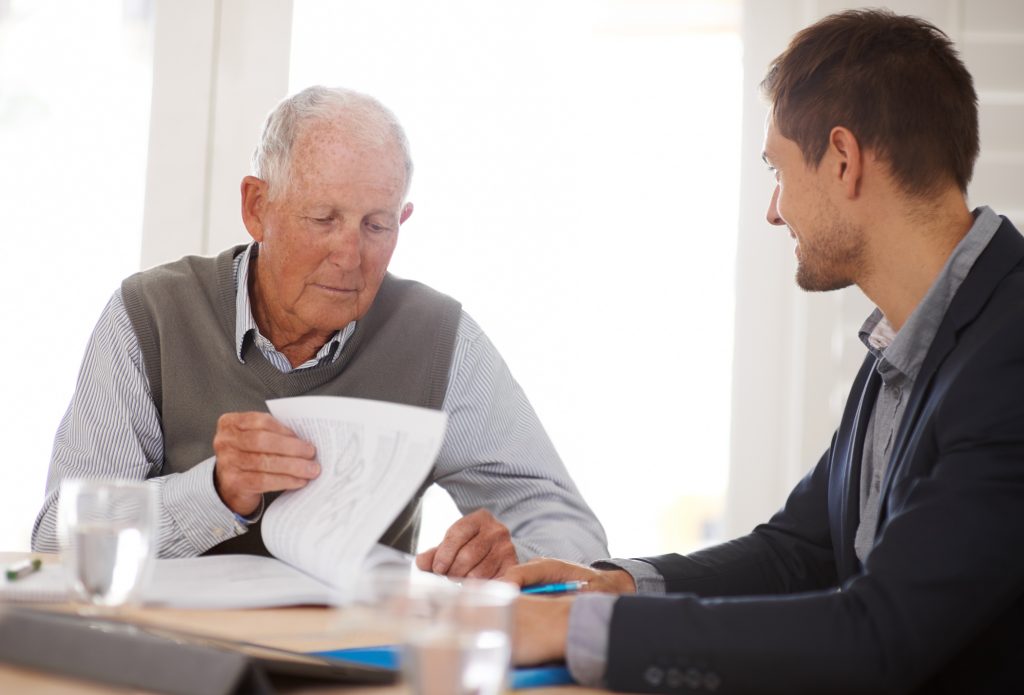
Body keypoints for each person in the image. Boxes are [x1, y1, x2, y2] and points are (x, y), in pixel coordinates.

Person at [504, 9, 1024, 693]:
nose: (775, 210)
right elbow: (799, 550)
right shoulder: (907, 341)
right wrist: (618, 588)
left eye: (777, 168)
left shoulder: (1008, 352)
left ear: (843, 159)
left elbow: (879, 634)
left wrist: (573, 631)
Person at [32, 86, 608, 578]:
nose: (350, 255)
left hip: (354, 664)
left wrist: (512, 557)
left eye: (376, 225)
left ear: (402, 221)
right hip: (168, 659)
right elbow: (59, 539)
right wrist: (215, 493)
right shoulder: (151, 313)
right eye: (323, 219)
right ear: (257, 207)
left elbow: (567, 528)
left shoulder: (439, 337)